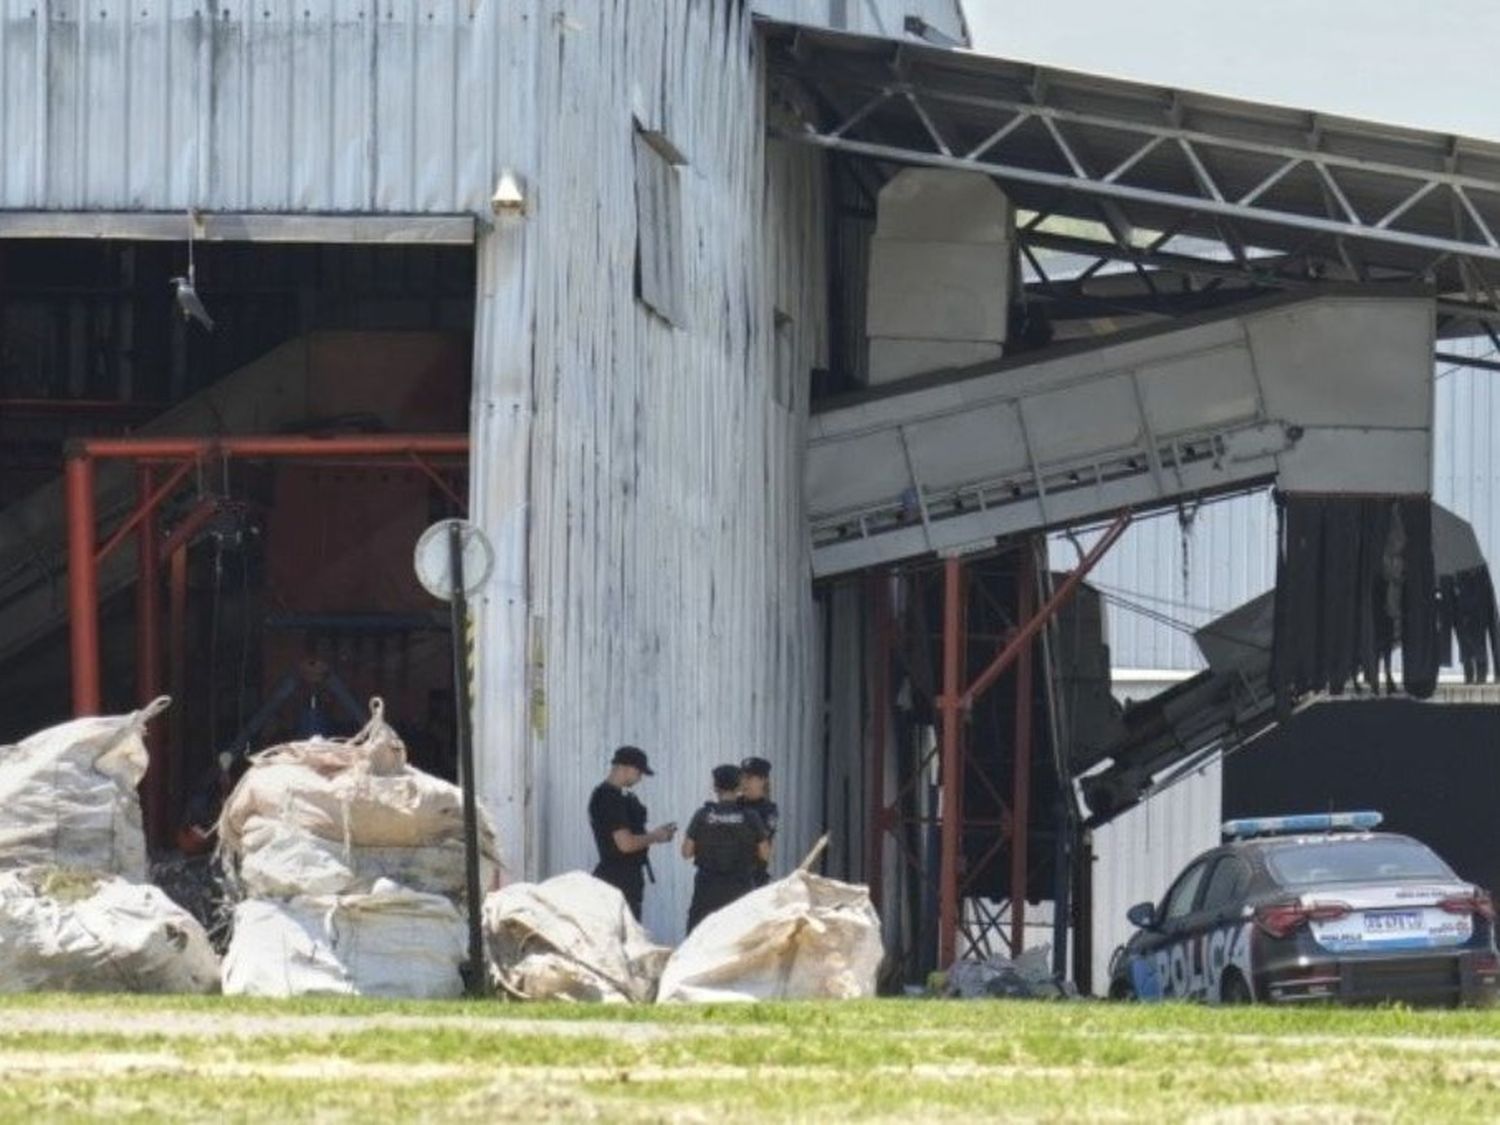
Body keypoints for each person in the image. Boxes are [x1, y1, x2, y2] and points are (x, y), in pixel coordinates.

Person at [588, 745, 676, 920]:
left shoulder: (621, 796)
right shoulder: (608, 798)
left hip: (624, 880)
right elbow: (625, 844)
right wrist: (656, 836)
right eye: (639, 772)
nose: (640, 778)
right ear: (624, 767)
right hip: (617, 881)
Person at [682, 764, 770, 933]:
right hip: (740, 888)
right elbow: (765, 854)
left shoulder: (702, 815)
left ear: (715, 787)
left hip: (707, 889)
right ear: (739, 787)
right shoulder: (751, 816)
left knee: (699, 940)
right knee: (739, 941)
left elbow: (686, 852)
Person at [738, 756, 779, 888]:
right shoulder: (733, 803)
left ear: (762, 780)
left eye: (749, 778)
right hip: (730, 880)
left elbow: (758, 842)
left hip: (754, 879)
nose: (744, 782)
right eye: (742, 778)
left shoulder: (768, 810)